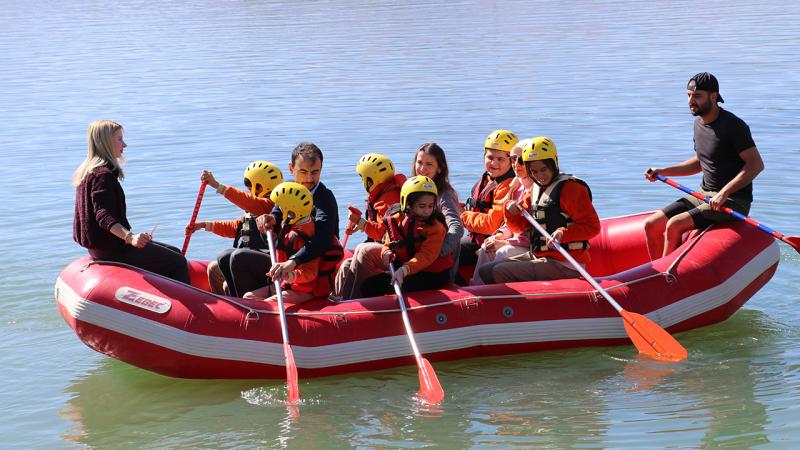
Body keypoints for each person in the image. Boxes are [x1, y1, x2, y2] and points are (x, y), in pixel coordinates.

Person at [644, 72, 764, 259]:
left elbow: (756, 165)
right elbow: (701, 162)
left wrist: (724, 193)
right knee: (651, 224)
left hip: (732, 201)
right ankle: (653, 273)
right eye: (689, 95)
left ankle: (665, 278)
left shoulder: (734, 126)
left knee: (674, 224)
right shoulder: (698, 125)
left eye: (697, 96)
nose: (691, 101)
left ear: (713, 96)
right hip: (703, 195)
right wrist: (663, 171)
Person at [72, 120, 190, 283]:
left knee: (175, 252)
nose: (125, 145)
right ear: (106, 142)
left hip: (99, 249)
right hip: (111, 250)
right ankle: (185, 306)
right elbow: (103, 215)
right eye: (119, 139)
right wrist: (130, 238)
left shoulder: (88, 172)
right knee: (178, 262)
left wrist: (133, 237)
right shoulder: (102, 176)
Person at [478, 137, 600, 284]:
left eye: (543, 169)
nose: (540, 176)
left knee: (498, 272)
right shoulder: (535, 190)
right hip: (541, 256)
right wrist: (510, 212)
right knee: (485, 271)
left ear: (554, 164)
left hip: (566, 263)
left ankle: (518, 306)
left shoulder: (571, 189)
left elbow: (593, 227)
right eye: (533, 171)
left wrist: (563, 233)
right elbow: (518, 227)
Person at [234, 142, 340, 296]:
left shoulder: (325, 198)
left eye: (315, 172)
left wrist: (292, 262)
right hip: (285, 258)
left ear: (321, 168)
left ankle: (254, 312)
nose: (309, 178)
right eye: (303, 171)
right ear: (291, 169)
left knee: (239, 258)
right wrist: (270, 218)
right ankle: (237, 308)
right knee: (226, 258)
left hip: (309, 268)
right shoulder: (287, 190)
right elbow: (277, 215)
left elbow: (322, 240)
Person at [185, 161, 283, 294]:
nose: (248, 189)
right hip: (248, 260)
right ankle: (225, 307)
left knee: (227, 283)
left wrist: (217, 186)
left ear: (259, 187)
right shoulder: (253, 209)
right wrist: (203, 225)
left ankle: (240, 304)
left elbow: (247, 201)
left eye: (249, 185)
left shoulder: (273, 206)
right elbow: (234, 228)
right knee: (214, 268)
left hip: (268, 265)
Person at [243, 182, 343, 302]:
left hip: (306, 290)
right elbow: (281, 246)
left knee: (266, 305)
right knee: (248, 297)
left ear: (290, 208)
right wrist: (268, 232)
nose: (278, 209)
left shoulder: (306, 234)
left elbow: (310, 273)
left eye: (280, 206)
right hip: (288, 285)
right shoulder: (290, 224)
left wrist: (289, 276)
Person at [359, 176, 454, 297]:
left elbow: (426, 256)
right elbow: (389, 242)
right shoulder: (397, 219)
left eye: (431, 206)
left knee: (382, 286)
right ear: (408, 204)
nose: (427, 211)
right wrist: (386, 252)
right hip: (408, 268)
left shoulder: (436, 228)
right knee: (369, 285)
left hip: (431, 274)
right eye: (422, 206)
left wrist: (404, 270)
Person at [333, 153, 405, 300]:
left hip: (393, 253)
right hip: (385, 249)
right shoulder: (384, 194)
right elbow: (379, 226)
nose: (362, 182)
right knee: (347, 265)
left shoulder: (388, 199)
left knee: (362, 250)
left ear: (372, 179)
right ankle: (337, 299)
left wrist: (361, 223)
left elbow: (385, 233)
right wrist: (360, 226)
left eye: (363, 178)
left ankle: (350, 300)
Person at [470, 138, 533, 285]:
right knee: (487, 246)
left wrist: (505, 242)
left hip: (530, 245)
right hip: (518, 240)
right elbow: (509, 224)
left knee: (502, 252)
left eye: (521, 160)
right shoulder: (518, 187)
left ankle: (494, 292)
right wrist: (499, 235)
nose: (516, 164)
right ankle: (477, 288)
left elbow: (531, 231)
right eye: (513, 159)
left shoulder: (535, 190)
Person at [458, 130, 518, 283]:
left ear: (512, 161)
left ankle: (457, 287)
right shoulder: (489, 179)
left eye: (500, 159)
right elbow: (477, 206)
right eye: (490, 157)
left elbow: (491, 225)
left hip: (489, 242)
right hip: (475, 238)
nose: (494, 163)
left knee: (448, 251)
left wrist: (462, 215)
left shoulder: (506, 186)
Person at [411, 143, 464, 282]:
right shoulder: (412, 189)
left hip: (437, 264)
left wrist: (436, 253)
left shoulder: (444, 195)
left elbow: (457, 228)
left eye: (429, 164)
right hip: (418, 255)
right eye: (419, 162)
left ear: (439, 168)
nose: (422, 169)